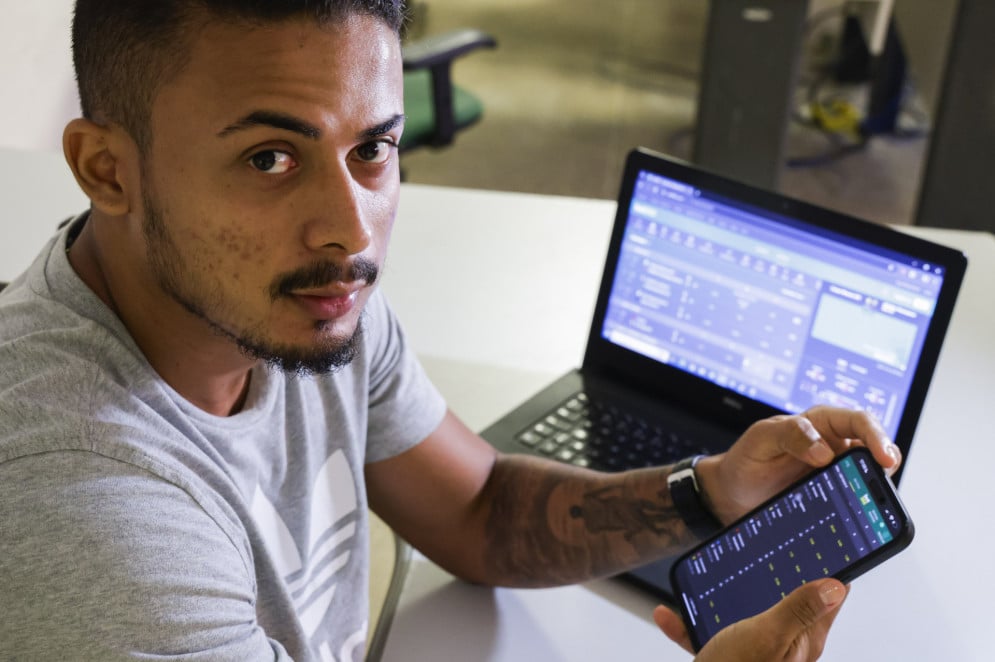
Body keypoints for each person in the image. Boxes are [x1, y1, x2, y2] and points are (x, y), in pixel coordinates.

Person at [0, 1, 902, 660]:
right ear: (105, 169)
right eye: (269, 157)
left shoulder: (302, 299)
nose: (350, 229)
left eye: (372, 150)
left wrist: (707, 492)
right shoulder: (86, 510)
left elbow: (477, 514)